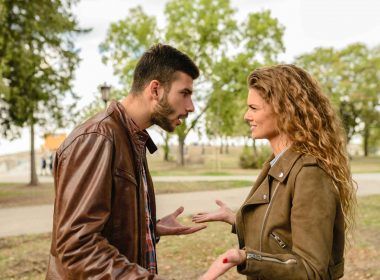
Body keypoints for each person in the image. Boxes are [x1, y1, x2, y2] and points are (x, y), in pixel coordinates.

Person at [46, 44, 206, 279]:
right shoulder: (98, 138)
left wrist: (150, 228)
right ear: (155, 89)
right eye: (185, 93)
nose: (191, 107)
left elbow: (105, 228)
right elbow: (76, 248)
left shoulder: (132, 138)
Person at [193, 64, 357, 280]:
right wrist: (236, 220)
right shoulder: (277, 163)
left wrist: (245, 258)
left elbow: (311, 270)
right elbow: (280, 233)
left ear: (284, 110)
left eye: (254, 108)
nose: (246, 116)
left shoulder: (310, 173)